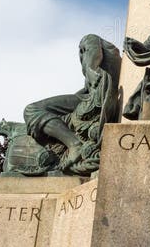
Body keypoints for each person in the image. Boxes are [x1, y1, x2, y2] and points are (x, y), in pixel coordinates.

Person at [22, 34, 121, 175]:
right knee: (40, 113)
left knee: (32, 109)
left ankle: (74, 144)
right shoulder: (102, 64)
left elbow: (94, 50)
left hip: (95, 99)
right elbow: (85, 89)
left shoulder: (89, 40)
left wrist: (91, 70)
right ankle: (72, 143)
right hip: (89, 97)